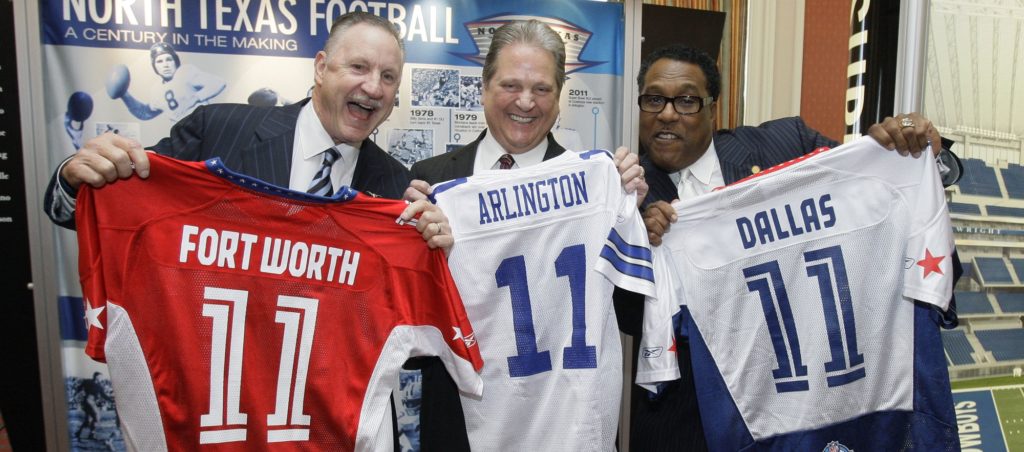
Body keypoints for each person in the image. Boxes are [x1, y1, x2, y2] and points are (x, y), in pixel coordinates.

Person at [617, 44, 963, 451]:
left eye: (687, 100)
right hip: (686, 429)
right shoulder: (627, 196)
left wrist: (921, 154)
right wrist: (637, 251)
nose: (668, 113)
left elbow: (874, 184)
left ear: (714, 109)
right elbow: (627, 320)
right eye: (654, 99)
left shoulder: (785, 143)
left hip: (808, 414)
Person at [403, 19, 646, 451]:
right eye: (510, 85)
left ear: (560, 95)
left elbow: (630, 314)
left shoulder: (595, 183)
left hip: (566, 427)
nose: (526, 102)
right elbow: (410, 337)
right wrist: (415, 252)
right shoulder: (431, 182)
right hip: (462, 428)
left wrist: (630, 214)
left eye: (542, 89)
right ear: (483, 87)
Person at [44, 12, 451, 250]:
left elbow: (405, 335)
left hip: (332, 389)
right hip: (218, 382)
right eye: (359, 67)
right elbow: (103, 210)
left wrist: (433, 250)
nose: (373, 87)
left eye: (388, 77)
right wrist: (76, 178)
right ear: (322, 67)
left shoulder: (397, 186)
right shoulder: (219, 131)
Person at [112, 42, 227, 122]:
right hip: (184, 135)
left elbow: (218, 83)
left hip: (204, 127)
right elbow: (145, 113)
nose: (165, 65)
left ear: (175, 61)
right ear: (154, 66)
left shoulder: (184, 72)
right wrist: (124, 94)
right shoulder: (156, 90)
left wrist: (195, 98)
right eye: (160, 61)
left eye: (169, 59)